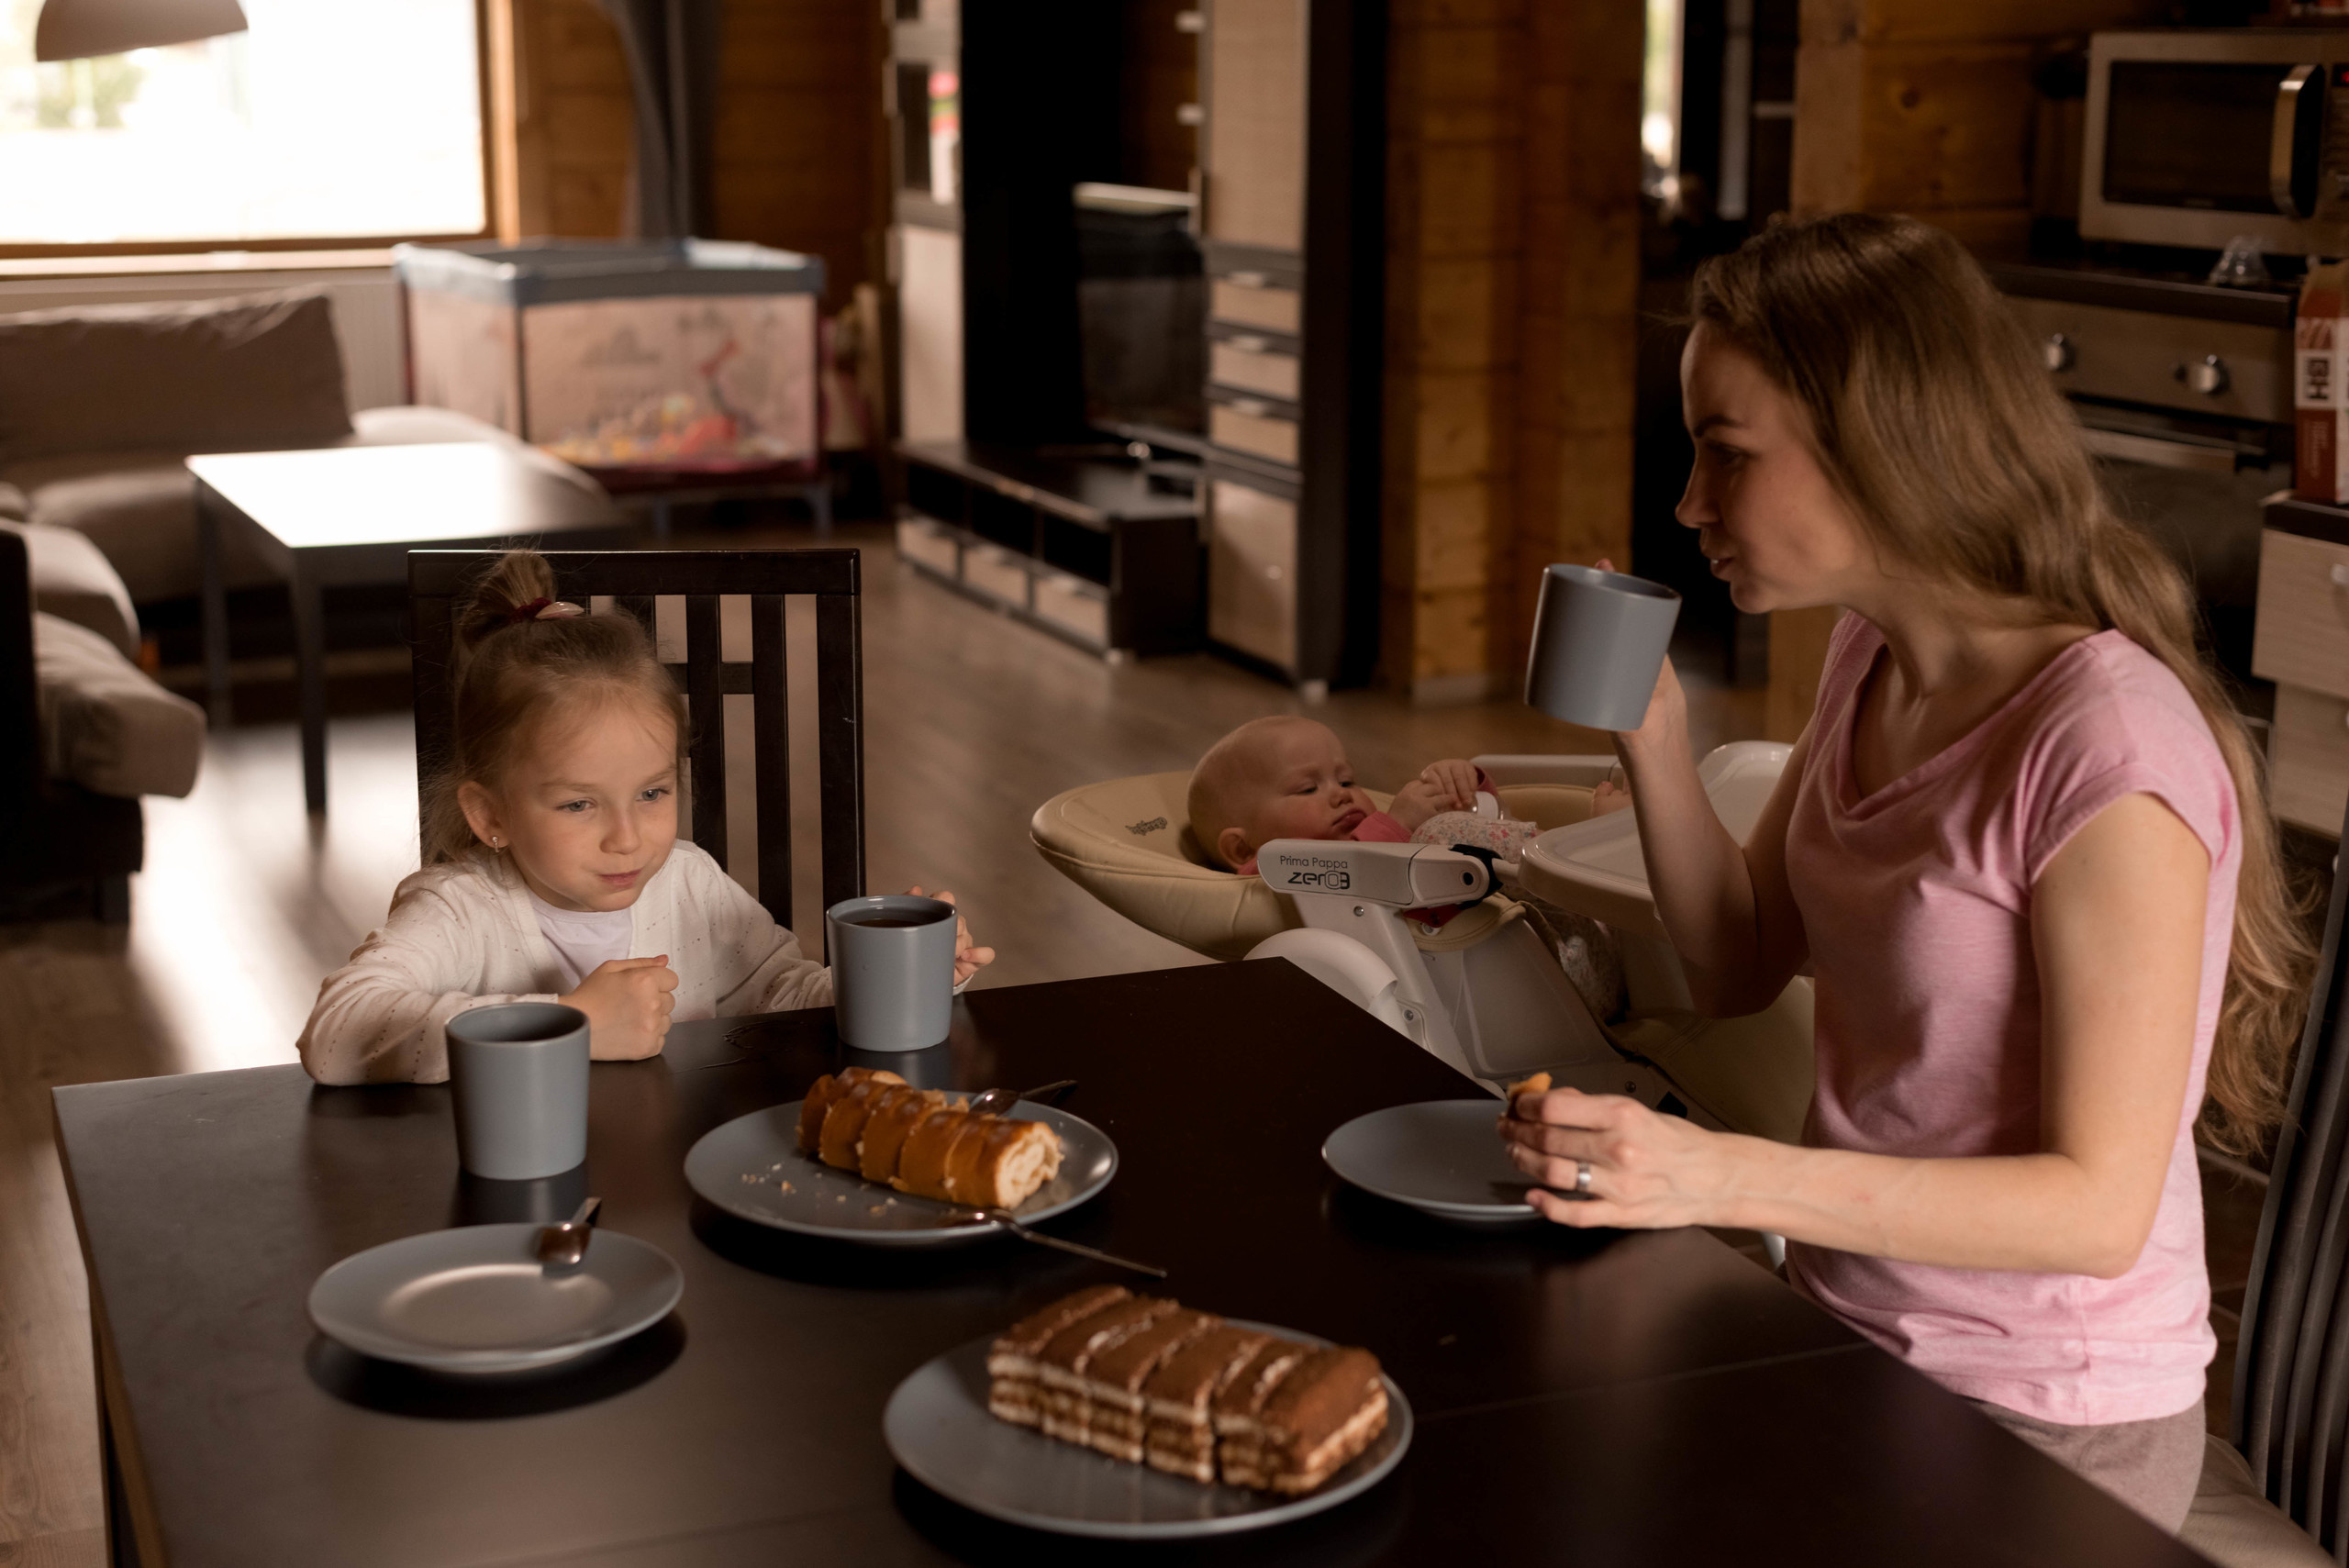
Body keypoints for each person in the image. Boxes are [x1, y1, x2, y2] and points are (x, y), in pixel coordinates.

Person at [1496, 213, 2311, 1532]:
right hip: (1850, 1333)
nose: (1691, 501)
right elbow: (1736, 958)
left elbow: (2097, 1208)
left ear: (1877, 443)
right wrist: (1653, 736)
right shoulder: (1872, 661)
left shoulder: (2107, 746)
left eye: (1728, 452)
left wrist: (1711, 1177)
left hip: (2047, 1418)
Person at [297, 550, 994, 1085]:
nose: (627, 837)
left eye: (654, 794)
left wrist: (902, 976)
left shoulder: (688, 883)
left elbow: (786, 994)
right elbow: (333, 1035)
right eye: (578, 804)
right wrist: (566, 1024)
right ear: (489, 814)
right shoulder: (460, 908)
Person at [1186, 714, 1628, 876]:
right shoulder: (1272, 875)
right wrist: (1399, 824)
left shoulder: (1374, 833)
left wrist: (1462, 787)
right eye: (1307, 788)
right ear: (1244, 846)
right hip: (1548, 973)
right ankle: (1600, 849)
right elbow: (1350, 876)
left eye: (1345, 780)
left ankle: (1596, 853)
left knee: (1445, 826)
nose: (1341, 796)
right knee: (1438, 832)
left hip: (1576, 928)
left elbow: (1495, 825)